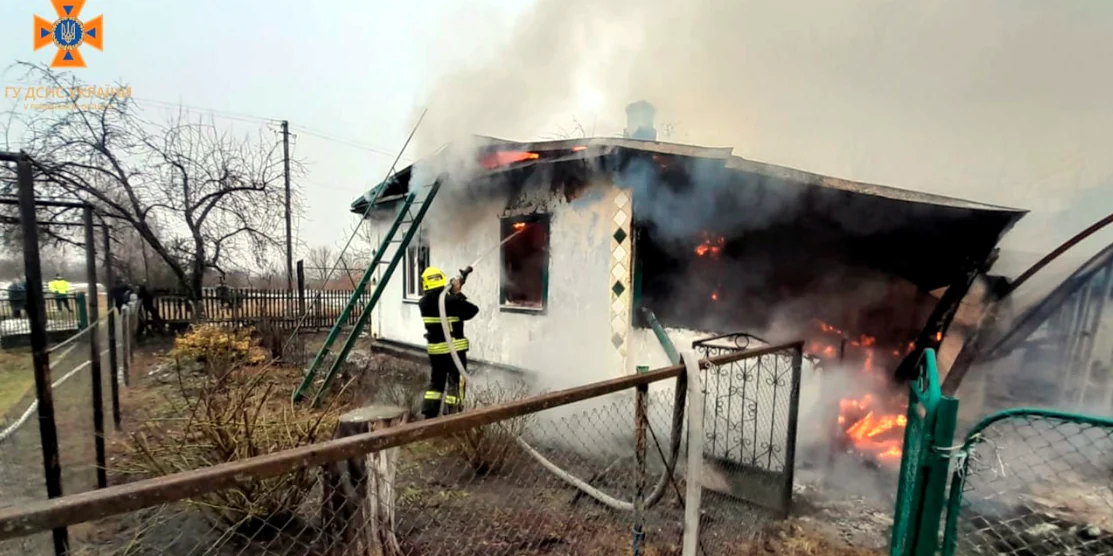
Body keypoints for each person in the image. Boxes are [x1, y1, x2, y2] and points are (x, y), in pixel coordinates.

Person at [418, 266, 479, 419]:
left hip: (435, 351)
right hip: (454, 352)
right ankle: (452, 418)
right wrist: (457, 292)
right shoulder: (451, 300)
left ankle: (429, 415)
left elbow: (441, 300)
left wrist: (452, 291)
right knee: (455, 383)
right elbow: (472, 310)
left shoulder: (423, 302)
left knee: (436, 383)